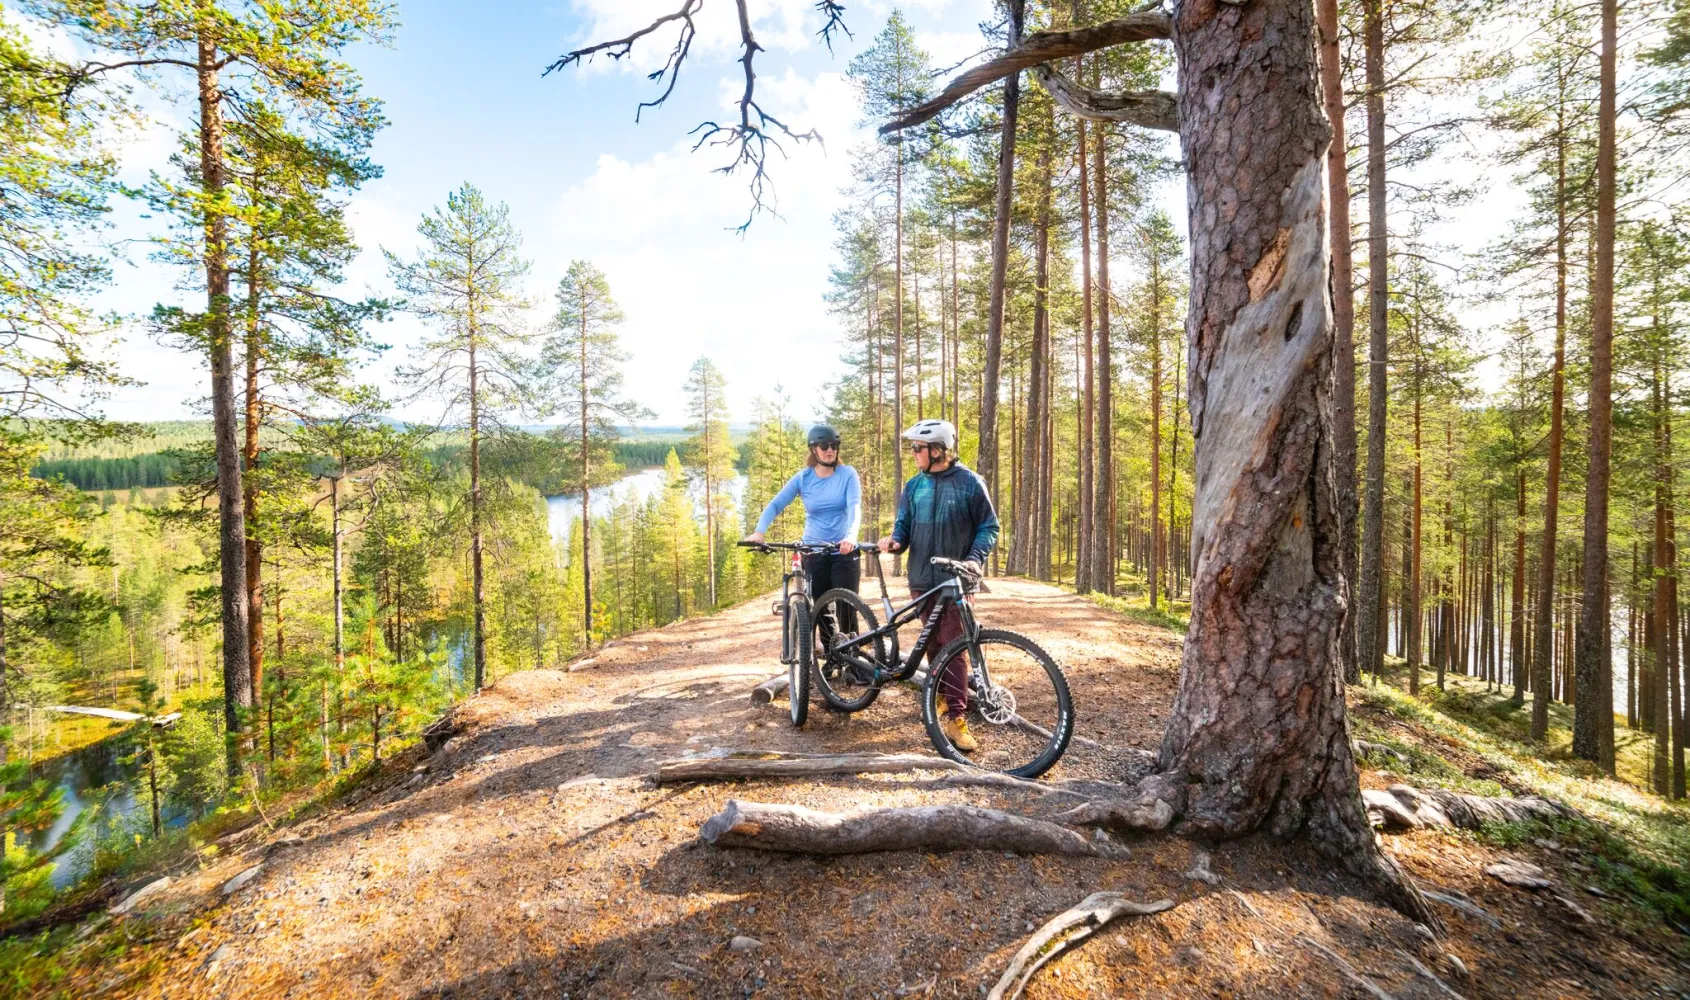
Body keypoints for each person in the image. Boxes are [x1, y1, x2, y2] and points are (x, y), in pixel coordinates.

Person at [877, 418, 999, 752]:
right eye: (913, 448)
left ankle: (957, 718)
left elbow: (989, 526)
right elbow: (903, 525)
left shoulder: (970, 483)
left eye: (918, 448)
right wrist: (895, 542)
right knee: (932, 642)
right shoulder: (915, 486)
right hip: (921, 579)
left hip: (957, 579)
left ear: (937, 450)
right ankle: (945, 699)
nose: (913, 454)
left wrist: (975, 558)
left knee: (955, 646)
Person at [744, 424, 863, 612]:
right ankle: (828, 643)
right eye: (824, 447)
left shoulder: (847, 474)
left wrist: (850, 537)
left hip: (844, 552)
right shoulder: (803, 478)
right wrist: (760, 531)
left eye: (833, 446)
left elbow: (854, 507)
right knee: (821, 611)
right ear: (814, 449)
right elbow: (775, 505)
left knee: (847, 610)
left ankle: (852, 643)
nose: (830, 450)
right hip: (814, 552)